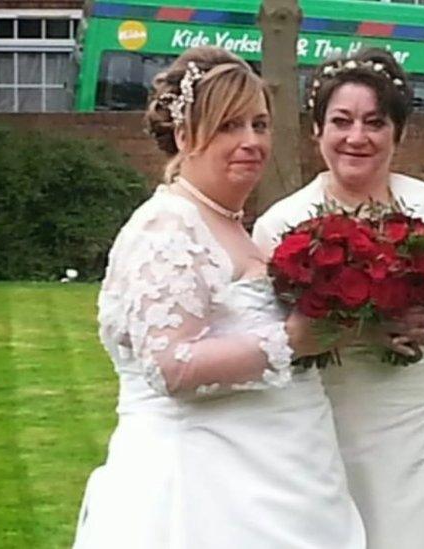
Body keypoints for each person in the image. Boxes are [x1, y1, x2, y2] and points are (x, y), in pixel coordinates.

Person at [73, 46, 364, 548]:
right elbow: (170, 365)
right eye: (229, 126)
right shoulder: (167, 226)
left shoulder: (229, 224)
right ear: (184, 136)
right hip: (200, 494)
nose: (251, 141)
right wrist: (291, 339)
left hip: (279, 479)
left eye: (259, 124)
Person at [253, 48, 424, 549]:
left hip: (421, 440)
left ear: (398, 132)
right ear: (317, 130)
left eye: (375, 122)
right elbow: (265, 345)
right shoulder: (280, 224)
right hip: (325, 433)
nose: (357, 137)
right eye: (341, 121)